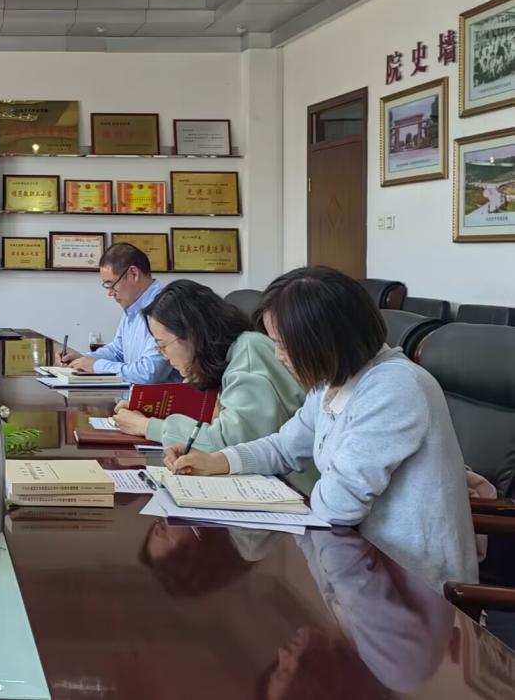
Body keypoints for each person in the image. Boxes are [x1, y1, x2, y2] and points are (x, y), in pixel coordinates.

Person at [167, 266, 477, 592]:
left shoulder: (394, 387)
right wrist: (218, 461)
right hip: (355, 564)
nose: (277, 356)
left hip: (412, 586)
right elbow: (285, 446)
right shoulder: (333, 379)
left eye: (283, 344)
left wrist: (283, 504)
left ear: (323, 341)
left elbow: (339, 504)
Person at [111, 280, 310, 480]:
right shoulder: (223, 357)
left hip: (297, 484)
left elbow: (228, 444)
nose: (164, 356)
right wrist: (149, 410)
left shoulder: (249, 353)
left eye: (163, 346)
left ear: (192, 334)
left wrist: (147, 426)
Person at [58, 242, 178, 384]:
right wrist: (83, 359)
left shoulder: (165, 306)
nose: (109, 293)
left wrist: (96, 366)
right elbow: (118, 351)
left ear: (133, 274)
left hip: (163, 397)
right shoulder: (132, 306)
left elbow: (149, 373)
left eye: (111, 284)